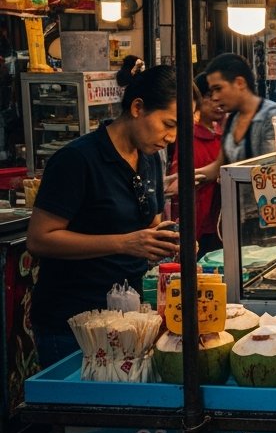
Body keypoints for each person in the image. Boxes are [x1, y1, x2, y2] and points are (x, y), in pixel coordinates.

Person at [27, 64, 181, 366]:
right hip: (71, 324)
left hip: (126, 318)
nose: (171, 137)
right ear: (138, 108)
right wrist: (124, 243)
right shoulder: (77, 160)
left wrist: (169, 239)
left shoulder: (149, 159)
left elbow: (147, 225)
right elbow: (40, 239)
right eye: (168, 123)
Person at [169, 72, 224, 257]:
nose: (218, 102)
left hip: (220, 221)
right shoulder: (188, 135)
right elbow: (176, 184)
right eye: (210, 96)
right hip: (197, 225)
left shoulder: (222, 133)